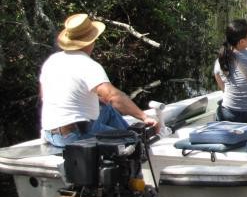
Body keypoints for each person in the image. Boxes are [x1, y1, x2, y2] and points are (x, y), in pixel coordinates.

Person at [39, 13, 160, 147]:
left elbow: (46, 96)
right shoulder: (88, 65)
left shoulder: (52, 60)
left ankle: (127, 134)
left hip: (51, 133)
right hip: (74, 135)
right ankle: (133, 143)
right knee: (134, 142)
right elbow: (114, 97)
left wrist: (94, 99)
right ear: (91, 41)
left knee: (107, 109)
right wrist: (144, 117)